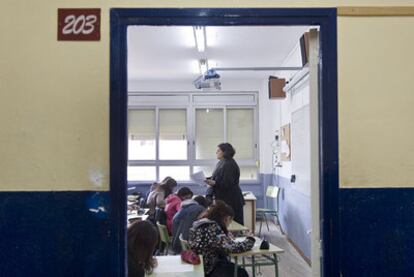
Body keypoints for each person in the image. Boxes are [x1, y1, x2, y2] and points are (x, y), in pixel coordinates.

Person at [188, 200, 255, 277]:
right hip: (209, 268)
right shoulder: (212, 228)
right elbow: (232, 248)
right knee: (241, 273)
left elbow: (217, 243)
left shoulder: (201, 224)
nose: (229, 224)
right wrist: (250, 240)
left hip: (200, 265)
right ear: (225, 217)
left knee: (231, 265)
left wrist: (225, 235)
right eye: (230, 220)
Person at [204, 143, 245, 224]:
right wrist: (206, 179)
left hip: (231, 200)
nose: (216, 152)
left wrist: (214, 183)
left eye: (218, 150)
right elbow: (216, 177)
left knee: (233, 224)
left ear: (225, 152)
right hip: (224, 198)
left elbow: (227, 184)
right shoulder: (221, 162)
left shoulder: (229, 164)